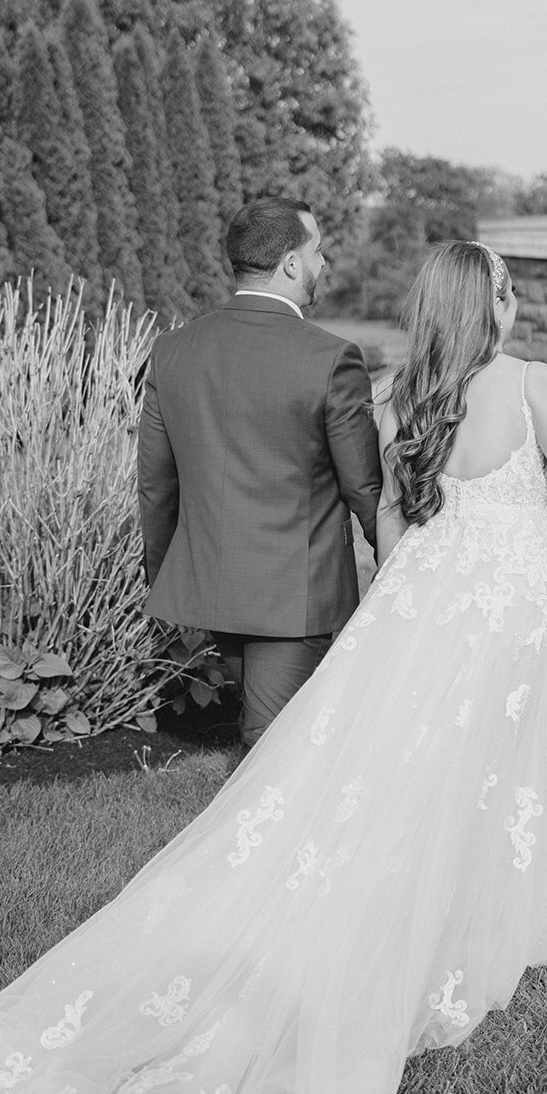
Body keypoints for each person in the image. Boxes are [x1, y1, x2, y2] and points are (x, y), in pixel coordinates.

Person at [0, 242, 547, 1094]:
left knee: (381, 773)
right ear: (491, 304)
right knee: (486, 769)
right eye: (506, 291)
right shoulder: (528, 382)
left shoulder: (398, 394)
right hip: (506, 614)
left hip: (423, 604)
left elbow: (392, 525)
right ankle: (472, 906)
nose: (511, 306)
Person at [137, 195, 383, 746]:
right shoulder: (331, 358)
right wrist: (398, 560)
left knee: (277, 735)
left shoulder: (173, 350)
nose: (324, 265)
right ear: (292, 264)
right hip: (293, 595)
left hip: (211, 584)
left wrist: (165, 578)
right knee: (273, 751)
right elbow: (363, 487)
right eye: (318, 252)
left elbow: (156, 486)